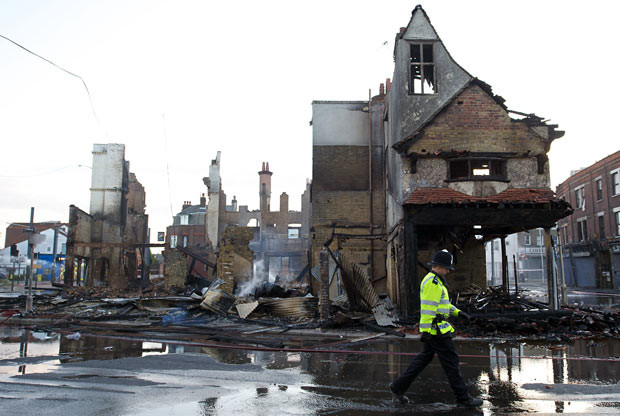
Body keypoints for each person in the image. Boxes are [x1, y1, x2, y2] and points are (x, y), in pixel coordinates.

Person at [389, 249, 483, 407]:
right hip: (436, 331)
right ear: (438, 266)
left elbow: (443, 305)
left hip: (435, 329)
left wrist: (459, 313)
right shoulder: (432, 283)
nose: (448, 270)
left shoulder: (436, 281)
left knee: (423, 359)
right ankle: (463, 398)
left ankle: (398, 386)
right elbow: (428, 309)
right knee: (451, 363)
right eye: (447, 267)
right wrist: (425, 331)